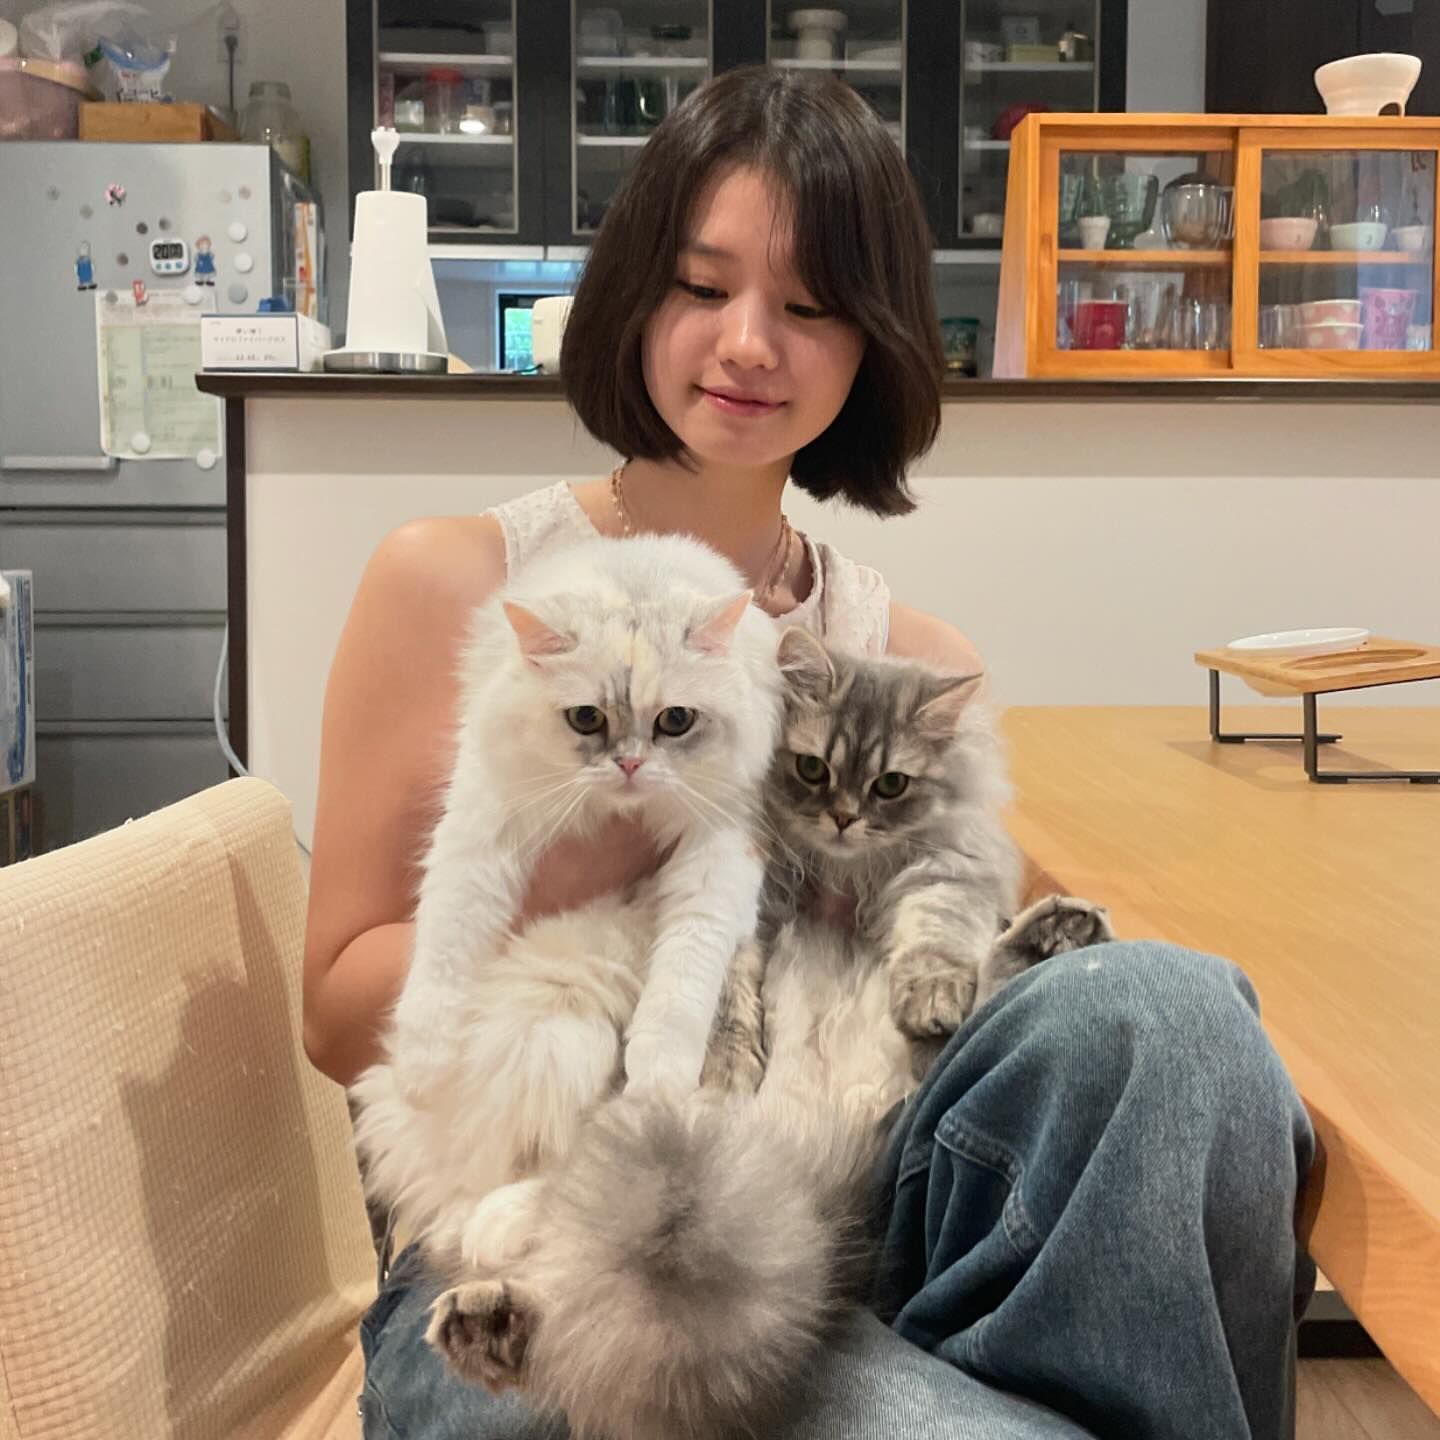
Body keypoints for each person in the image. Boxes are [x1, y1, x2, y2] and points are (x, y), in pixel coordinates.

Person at [302, 67, 1315, 1440]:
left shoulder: (905, 658)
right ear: (634, 294)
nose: (749, 344)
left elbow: (938, 1010)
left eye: (811, 305)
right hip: (526, 1251)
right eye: (702, 284)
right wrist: (626, 844)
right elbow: (335, 1006)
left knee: (1176, 1018)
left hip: (844, 1210)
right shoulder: (467, 585)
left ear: (873, 340)